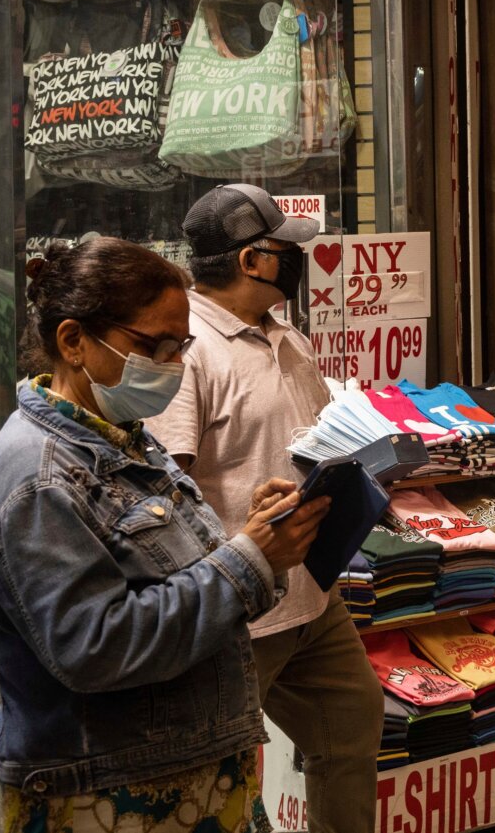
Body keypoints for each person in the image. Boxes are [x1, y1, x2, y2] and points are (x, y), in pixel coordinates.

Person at [0, 237, 329, 833]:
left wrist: (255, 534)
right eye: (153, 346)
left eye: (180, 346)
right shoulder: (38, 480)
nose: (172, 364)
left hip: (187, 778)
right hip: (110, 796)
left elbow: (169, 568)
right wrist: (248, 561)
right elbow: (96, 644)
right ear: (73, 341)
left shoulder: (123, 435)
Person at [159, 184, 380, 833]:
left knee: (350, 721)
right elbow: (169, 485)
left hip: (309, 593)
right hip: (238, 612)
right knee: (208, 774)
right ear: (253, 259)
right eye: (285, 247)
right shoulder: (189, 348)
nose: (296, 257)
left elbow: (316, 442)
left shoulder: (287, 336)